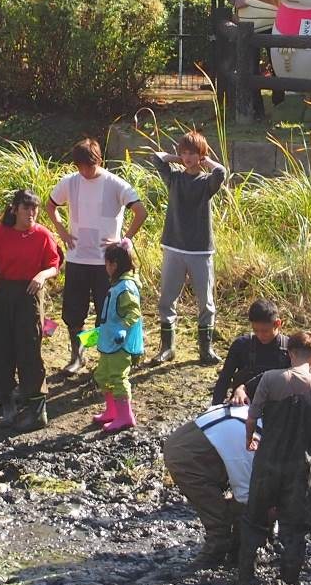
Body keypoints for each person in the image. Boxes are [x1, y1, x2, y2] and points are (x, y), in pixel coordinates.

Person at [239, 331, 311, 585]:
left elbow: (251, 418)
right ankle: (289, 579)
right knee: (294, 525)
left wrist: (250, 440)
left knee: (254, 518)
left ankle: (245, 575)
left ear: (290, 353)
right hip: (299, 465)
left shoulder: (270, 379)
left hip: (268, 459)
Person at [48, 140, 145, 378]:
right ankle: (77, 354)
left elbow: (141, 211)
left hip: (106, 263)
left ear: (98, 161)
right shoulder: (69, 182)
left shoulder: (115, 184)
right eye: (80, 166)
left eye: (88, 166)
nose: (84, 172)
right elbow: (50, 206)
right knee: (74, 313)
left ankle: (108, 356)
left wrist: (124, 240)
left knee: (108, 313)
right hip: (77, 257)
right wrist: (61, 231)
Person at [0, 188, 62, 431]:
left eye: (34, 209)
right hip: (3, 292)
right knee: (0, 345)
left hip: (30, 294)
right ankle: (6, 398)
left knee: (29, 346)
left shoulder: (43, 235)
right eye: (26, 209)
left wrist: (41, 276)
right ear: (15, 210)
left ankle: (36, 404)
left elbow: (54, 265)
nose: (31, 214)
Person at [145, 131, 227, 366]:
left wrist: (205, 160)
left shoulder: (206, 183)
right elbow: (157, 158)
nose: (188, 157)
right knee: (167, 299)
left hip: (201, 250)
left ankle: (205, 349)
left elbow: (221, 172)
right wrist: (177, 158)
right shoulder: (175, 179)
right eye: (185, 152)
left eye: (193, 153)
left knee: (206, 301)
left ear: (201, 155)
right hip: (174, 246)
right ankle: (167, 348)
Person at [163, 401, 256, 568]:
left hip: (210, 440)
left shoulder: (260, 419)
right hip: (185, 455)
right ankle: (217, 547)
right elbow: (247, 497)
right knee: (218, 512)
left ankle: (235, 543)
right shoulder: (250, 442)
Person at [89, 240, 144, 434]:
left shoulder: (126, 287)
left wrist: (123, 329)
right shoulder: (117, 285)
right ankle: (112, 411)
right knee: (103, 375)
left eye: (107, 264)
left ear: (113, 265)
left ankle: (125, 416)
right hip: (109, 341)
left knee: (119, 377)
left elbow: (133, 312)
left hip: (120, 344)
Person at [213, 299, 291, 406]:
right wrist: (215, 407)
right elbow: (224, 379)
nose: (260, 335)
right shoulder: (241, 345)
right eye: (255, 330)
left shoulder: (291, 348)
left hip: (278, 408)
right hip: (243, 405)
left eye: (265, 331)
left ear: (277, 324)